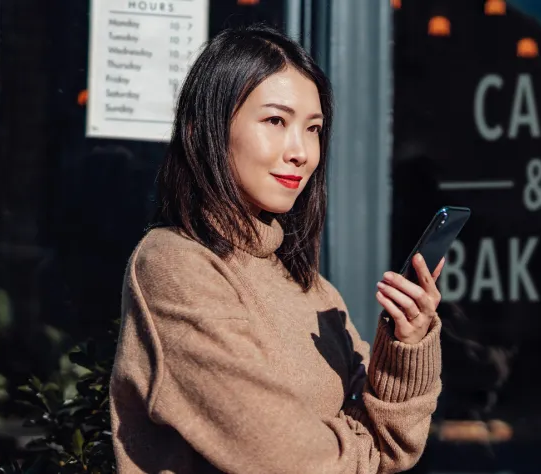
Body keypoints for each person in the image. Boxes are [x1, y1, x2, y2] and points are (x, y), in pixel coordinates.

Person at [110, 24, 446, 474]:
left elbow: (395, 445)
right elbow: (286, 459)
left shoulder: (312, 289)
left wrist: (406, 344)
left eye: (313, 129)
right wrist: (361, 444)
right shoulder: (175, 264)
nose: (301, 152)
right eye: (275, 121)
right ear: (204, 128)